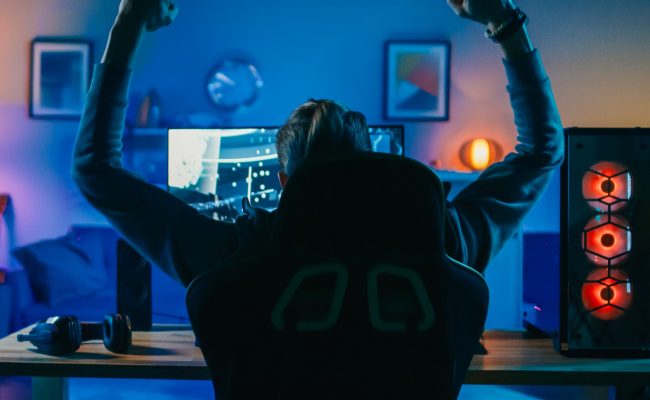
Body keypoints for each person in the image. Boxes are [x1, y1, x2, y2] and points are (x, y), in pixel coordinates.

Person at [73, 0, 563, 288]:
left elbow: (95, 169)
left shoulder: (235, 254)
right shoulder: (442, 240)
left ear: (285, 181)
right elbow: (544, 150)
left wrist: (130, 20)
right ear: (373, 166)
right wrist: (504, 19)